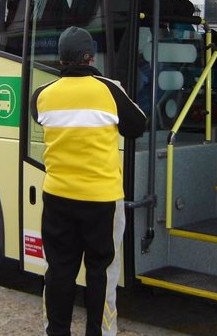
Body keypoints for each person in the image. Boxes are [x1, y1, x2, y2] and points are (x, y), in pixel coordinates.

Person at [31, 26, 146, 336]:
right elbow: (138, 125)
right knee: (102, 273)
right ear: (91, 57)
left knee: (59, 271)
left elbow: (38, 117)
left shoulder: (42, 96)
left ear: (60, 60)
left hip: (57, 200)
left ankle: (57, 332)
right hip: (102, 202)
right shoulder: (109, 90)